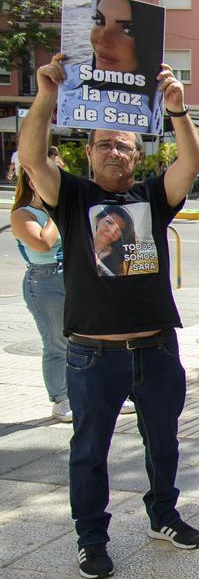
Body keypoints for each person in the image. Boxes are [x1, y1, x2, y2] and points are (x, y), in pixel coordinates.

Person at [21, 53, 199, 579]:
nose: (114, 152)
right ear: (88, 152)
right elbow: (33, 160)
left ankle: (163, 516)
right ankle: (91, 539)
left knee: (164, 443)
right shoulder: (73, 196)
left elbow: (190, 165)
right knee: (89, 450)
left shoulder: (150, 194)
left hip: (155, 351)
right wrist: (46, 96)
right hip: (91, 356)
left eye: (123, 145)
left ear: (136, 154)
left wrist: (177, 110)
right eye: (104, 144)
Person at [11, 146, 68, 420]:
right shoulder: (23, 214)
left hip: (73, 275)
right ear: (31, 180)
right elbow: (43, 243)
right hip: (45, 280)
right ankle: (61, 398)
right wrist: (55, 208)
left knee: (83, 340)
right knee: (57, 343)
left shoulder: (67, 207)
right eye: (46, 175)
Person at [59, 0, 163, 135]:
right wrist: (46, 94)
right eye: (100, 21)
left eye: (128, 30)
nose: (102, 40)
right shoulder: (73, 73)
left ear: (149, 42)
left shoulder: (123, 111)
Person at [92, 204, 137, 276]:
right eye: (109, 222)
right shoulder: (80, 244)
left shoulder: (115, 261)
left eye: (119, 230)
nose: (112, 232)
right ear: (98, 220)